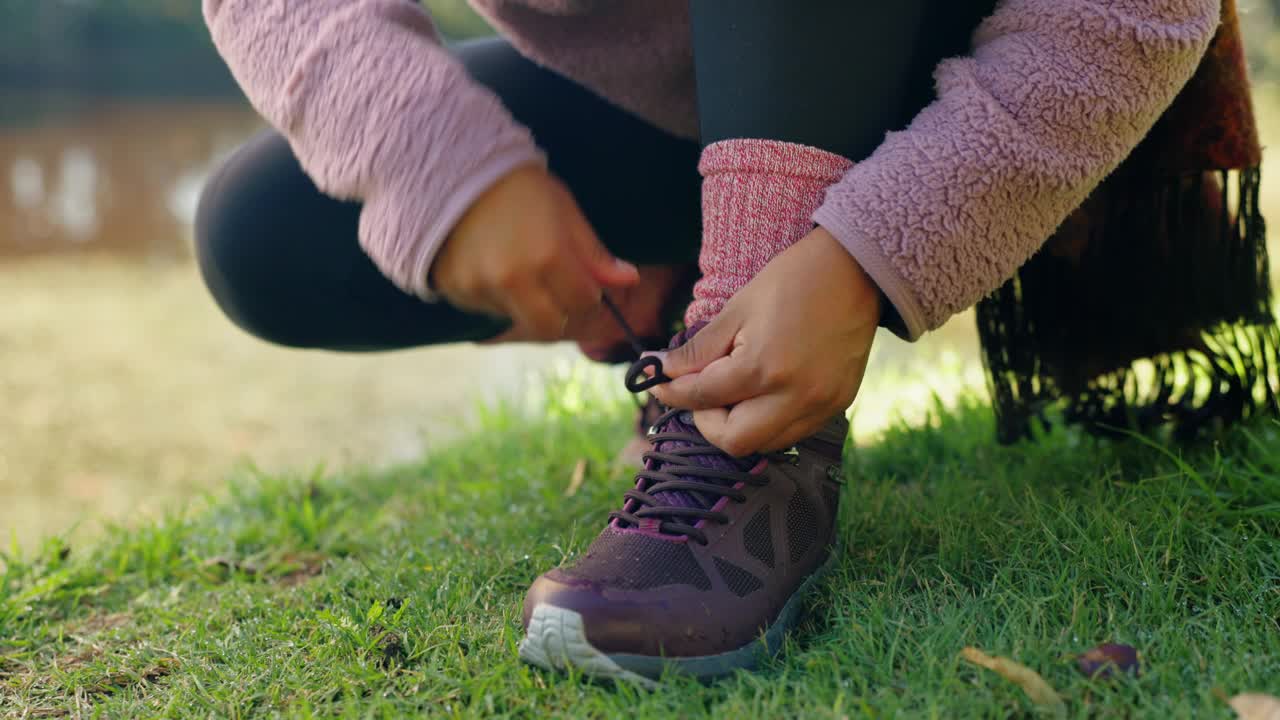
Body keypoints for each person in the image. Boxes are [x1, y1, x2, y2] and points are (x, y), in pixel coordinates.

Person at [198, 0, 1271, 684]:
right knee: (265, 236)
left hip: (954, 55)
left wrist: (865, 253)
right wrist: (434, 162)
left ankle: (746, 441)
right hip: (674, 90)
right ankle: (710, 287)